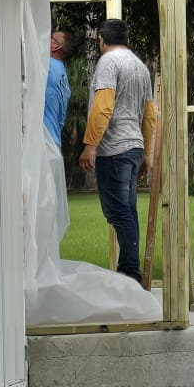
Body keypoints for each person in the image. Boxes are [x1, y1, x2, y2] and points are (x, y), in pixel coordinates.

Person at [79, 18, 157, 284]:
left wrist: (90, 145)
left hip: (113, 149)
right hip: (133, 147)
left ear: (101, 40)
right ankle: (129, 271)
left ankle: (130, 273)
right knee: (128, 210)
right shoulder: (140, 67)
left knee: (117, 212)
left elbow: (103, 106)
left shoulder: (108, 63)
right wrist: (145, 152)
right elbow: (149, 115)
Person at [44, 29, 76, 145]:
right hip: (54, 140)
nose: (46, 39)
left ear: (56, 46)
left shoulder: (47, 66)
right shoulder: (61, 74)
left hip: (44, 141)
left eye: (51, 37)